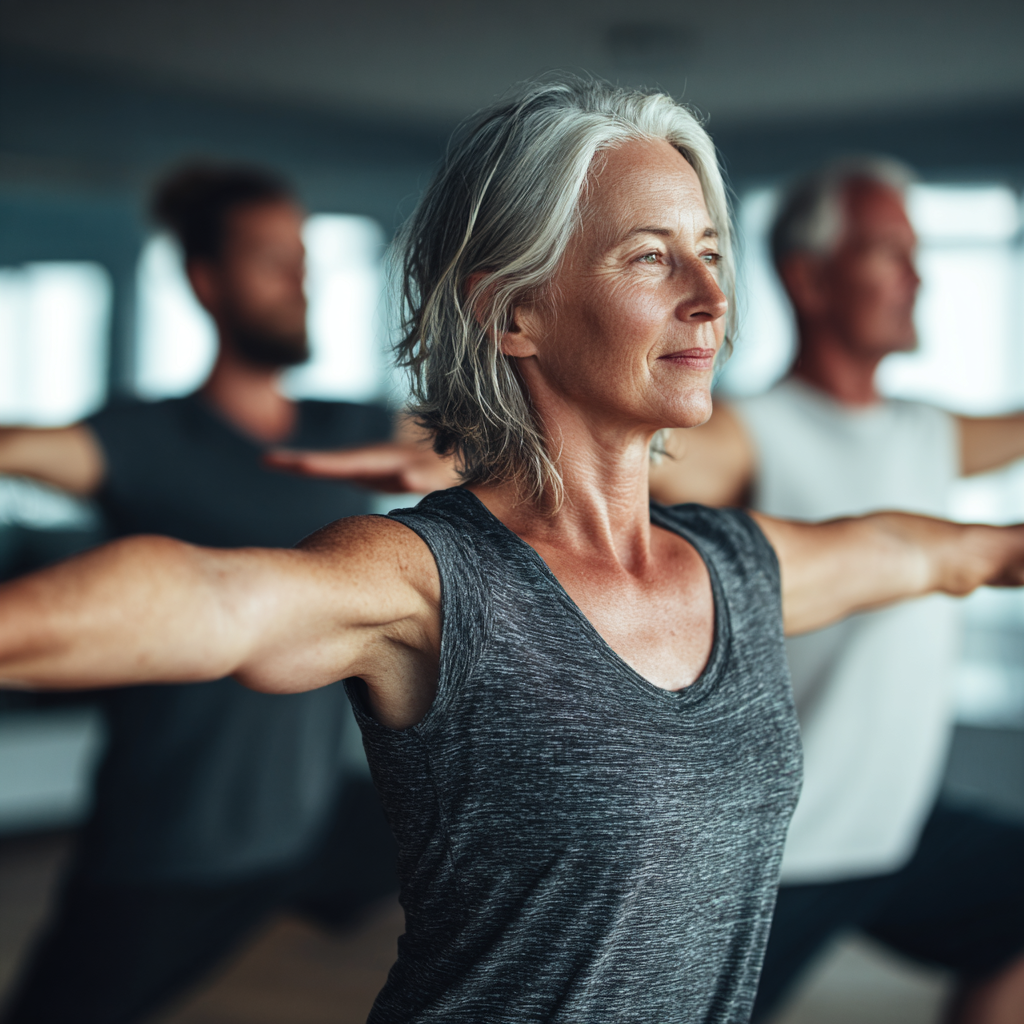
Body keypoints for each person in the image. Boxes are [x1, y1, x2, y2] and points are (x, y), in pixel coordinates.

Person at [3, 78, 1024, 1024]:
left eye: (710, 251)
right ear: (513, 311)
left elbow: (936, 551)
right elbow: (216, 595)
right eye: (649, 256)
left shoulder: (737, 567)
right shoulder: (434, 580)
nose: (709, 298)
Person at [0, 165, 399, 1024]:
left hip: (305, 823)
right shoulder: (143, 436)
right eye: (269, 259)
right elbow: (22, 446)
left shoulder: (351, 428)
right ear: (204, 281)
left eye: (302, 256)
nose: (300, 280)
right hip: (166, 845)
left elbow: (506, 435)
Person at [648, 158, 1024, 1022]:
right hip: (775, 852)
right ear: (810, 278)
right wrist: (498, 450)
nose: (917, 276)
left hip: (894, 828)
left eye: (916, 252)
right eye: (888, 251)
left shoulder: (931, 433)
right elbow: (655, 456)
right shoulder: (747, 431)